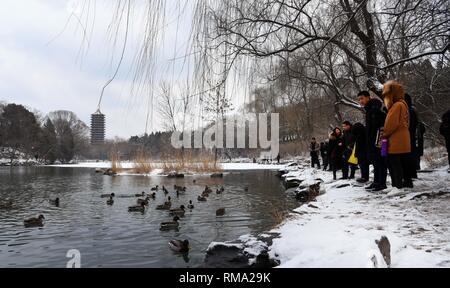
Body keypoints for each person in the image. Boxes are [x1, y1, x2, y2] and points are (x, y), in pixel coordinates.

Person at [382, 81, 413, 189]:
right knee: (403, 163)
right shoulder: (404, 104)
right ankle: (406, 183)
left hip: (395, 139)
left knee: (394, 164)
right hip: (403, 138)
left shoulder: (396, 106)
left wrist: (384, 134)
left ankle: (397, 186)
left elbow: (390, 124)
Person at [357, 91, 388, 192]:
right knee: (375, 163)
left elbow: (380, 127)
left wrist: (379, 143)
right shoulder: (369, 110)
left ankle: (381, 183)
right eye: (359, 99)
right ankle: (376, 182)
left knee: (380, 162)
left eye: (362, 98)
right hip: (372, 142)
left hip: (379, 142)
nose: (360, 101)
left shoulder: (374, 110)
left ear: (368, 98)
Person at [405, 94, 419, 179]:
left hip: (409, 136)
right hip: (411, 136)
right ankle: (412, 173)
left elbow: (411, 125)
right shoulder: (412, 110)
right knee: (411, 155)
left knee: (409, 156)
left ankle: (411, 174)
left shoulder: (409, 111)